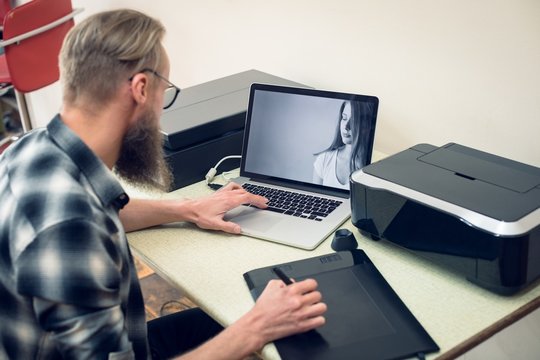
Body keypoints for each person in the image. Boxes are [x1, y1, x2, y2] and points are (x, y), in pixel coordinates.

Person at [0, 9, 327, 360]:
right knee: (259, 334)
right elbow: (76, 223)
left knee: (216, 322)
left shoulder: (29, 148)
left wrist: (188, 209)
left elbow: (103, 206)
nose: (161, 110)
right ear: (140, 88)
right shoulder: (71, 229)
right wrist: (257, 328)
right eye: (164, 94)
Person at [313, 100, 374, 189]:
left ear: (366, 125)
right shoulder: (324, 160)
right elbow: (315, 195)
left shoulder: (372, 166)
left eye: (353, 120)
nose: (346, 127)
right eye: (344, 118)